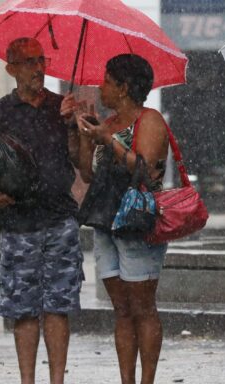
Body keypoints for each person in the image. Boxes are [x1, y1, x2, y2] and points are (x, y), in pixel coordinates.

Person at [0, 37, 83, 384]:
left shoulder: (61, 107)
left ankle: (57, 380)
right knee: (23, 310)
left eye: (41, 60)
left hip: (60, 220)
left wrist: (74, 126)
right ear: (11, 69)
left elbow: (82, 165)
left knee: (59, 306)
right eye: (28, 62)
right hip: (18, 224)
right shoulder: (0, 111)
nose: (38, 68)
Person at [75, 54, 170, 384]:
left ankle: (147, 380)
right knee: (122, 309)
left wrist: (109, 142)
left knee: (143, 306)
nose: (101, 87)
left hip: (137, 223)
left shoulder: (151, 120)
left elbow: (143, 168)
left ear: (124, 87)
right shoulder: (109, 123)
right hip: (106, 221)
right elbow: (88, 175)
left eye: (106, 81)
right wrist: (86, 136)